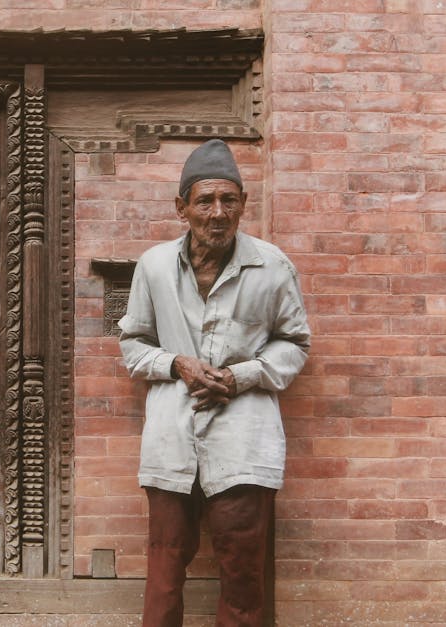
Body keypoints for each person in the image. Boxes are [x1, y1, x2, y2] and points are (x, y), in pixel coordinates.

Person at [118, 139, 310, 626]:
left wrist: (241, 376)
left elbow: (294, 344)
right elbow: (133, 344)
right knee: (163, 571)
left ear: (244, 204)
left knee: (243, 573)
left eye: (229, 200)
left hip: (243, 438)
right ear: (182, 207)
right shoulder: (154, 266)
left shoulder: (272, 265)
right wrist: (177, 363)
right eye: (205, 201)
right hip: (171, 437)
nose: (218, 212)